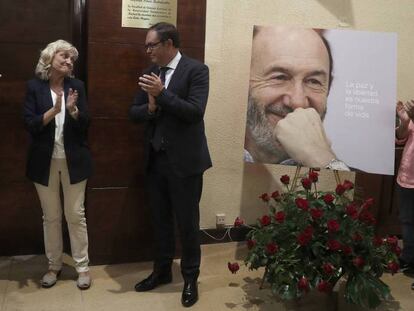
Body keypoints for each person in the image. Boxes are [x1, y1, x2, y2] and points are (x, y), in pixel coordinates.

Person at [129, 22, 211, 307]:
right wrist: (150, 107)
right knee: (160, 221)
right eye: (147, 45)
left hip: (186, 163)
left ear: (169, 44)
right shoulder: (150, 73)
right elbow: (134, 113)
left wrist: (162, 94)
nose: (148, 50)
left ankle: (190, 278)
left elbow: (194, 112)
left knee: (187, 224)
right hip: (156, 161)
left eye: (151, 45)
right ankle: (162, 272)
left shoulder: (197, 70)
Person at [23, 40, 93, 289]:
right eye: (64, 56)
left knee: (76, 215)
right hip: (44, 162)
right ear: (50, 57)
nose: (69, 61)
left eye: (72, 58)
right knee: (51, 217)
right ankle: (54, 266)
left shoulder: (77, 86)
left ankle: (82, 267)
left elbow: (86, 123)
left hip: (75, 161)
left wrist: (73, 111)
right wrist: (54, 110)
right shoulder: (35, 87)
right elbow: (29, 124)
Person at [245, 25, 348, 170]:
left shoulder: (355, 182)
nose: (298, 102)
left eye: (313, 81)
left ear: (328, 89)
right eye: (280, 77)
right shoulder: (209, 159)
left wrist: (323, 160)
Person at [395, 99, 414, 290]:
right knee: (407, 221)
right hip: (406, 179)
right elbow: (400, 138)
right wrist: (405, 121)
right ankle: (408, 258)